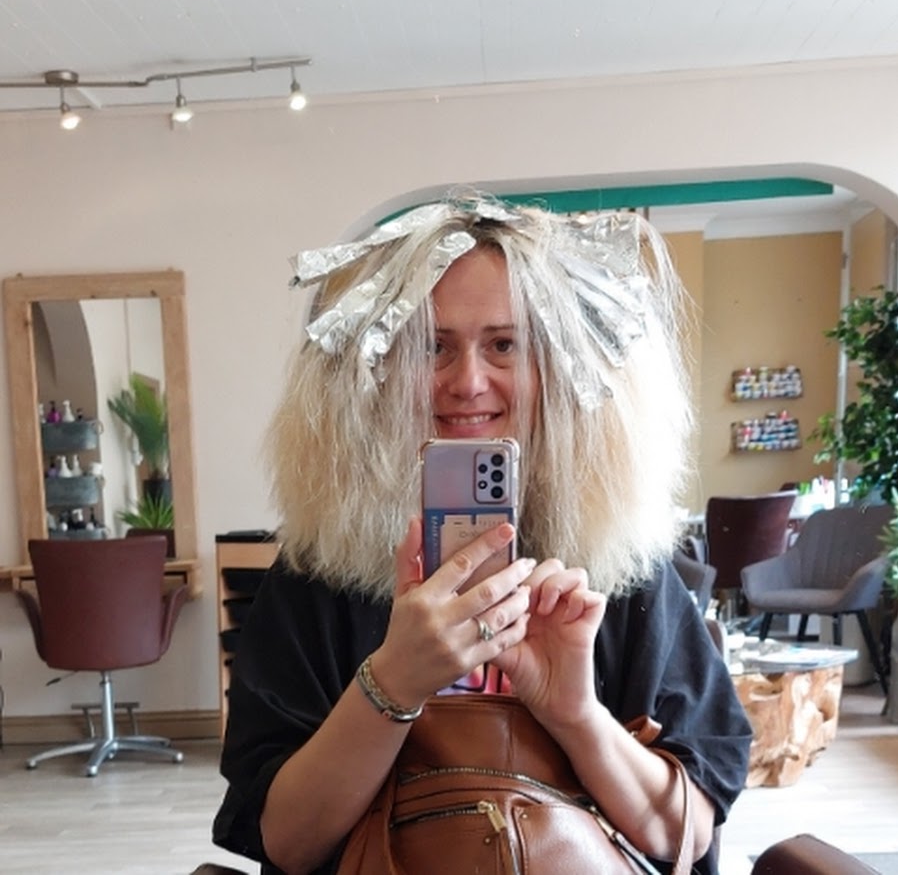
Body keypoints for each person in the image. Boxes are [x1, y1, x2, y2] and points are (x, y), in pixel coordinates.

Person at [213, 193, 752, 875]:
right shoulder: (316, 578)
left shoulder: (626, 572)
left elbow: (685, 836)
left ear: (560, 368)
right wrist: (393, 683)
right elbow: (289, 844)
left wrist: (575, 713)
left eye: (504, 344)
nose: (467, 382)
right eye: (431, 347)